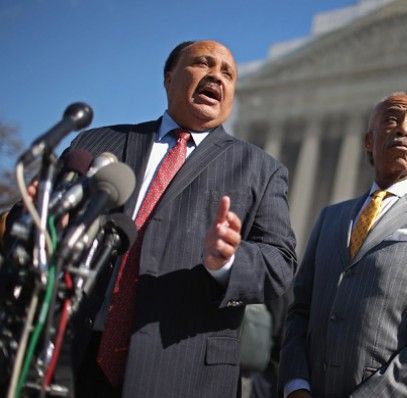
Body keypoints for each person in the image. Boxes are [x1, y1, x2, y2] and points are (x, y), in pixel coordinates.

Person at [66, 40, 296, 397]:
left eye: (228, 73)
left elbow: (280, 264)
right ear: (169, 77)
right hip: (70, 355)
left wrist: (229, 261)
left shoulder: (261, 170)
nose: (217, 77)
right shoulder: (99, 143)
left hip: (183, 371)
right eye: (204, 63)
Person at [279, 92, 407, 397]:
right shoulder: (331, 218)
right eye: (392, 119)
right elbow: (299, 310)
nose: (403, 129)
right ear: (368, 141)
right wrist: (295, 384)